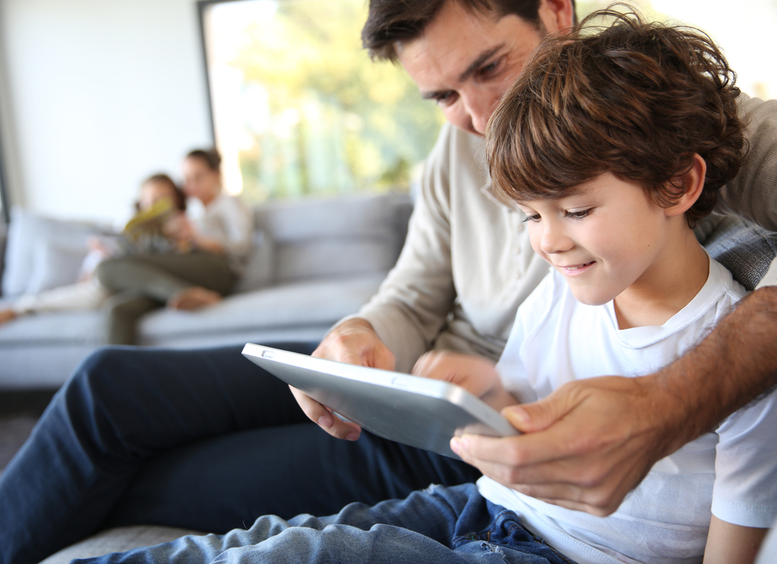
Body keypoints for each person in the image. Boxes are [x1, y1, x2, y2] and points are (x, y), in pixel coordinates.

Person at [1, 1, 776, 562]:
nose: (476, 116)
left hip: (471, 447)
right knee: (108, 386)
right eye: (442, 96)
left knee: (144, 480)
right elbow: (411, 293)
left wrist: (672, 400)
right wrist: (361, 337)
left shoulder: (693, 129)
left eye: (488, 68)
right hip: (439, 390)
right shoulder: (458, 155)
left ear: (555, 11)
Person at [95, 148, 254, 344]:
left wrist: (196, 238)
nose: (191, 186)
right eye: (187, 180)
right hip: (188, 275)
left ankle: (178, 291)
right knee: (118, 309)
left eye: (198, 177)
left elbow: (241, 248)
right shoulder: (196, 212)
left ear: (216, 175)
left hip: (217, 268)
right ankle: (182, 293)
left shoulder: (229, 202)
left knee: (106, 268)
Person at [0, 173, 186, 330]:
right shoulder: (127, 225)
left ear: (176, 200)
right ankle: (22, 307)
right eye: (150, 200)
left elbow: (188, 263)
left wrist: (183, 238)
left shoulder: (185, 226)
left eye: (162, 199)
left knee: (105, 294)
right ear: (141, 203)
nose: (155, 205)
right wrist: (97, 257)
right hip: (117, 281)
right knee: (99, 287)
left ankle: (23, 307)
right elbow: (99, 263)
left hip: (150, 284)